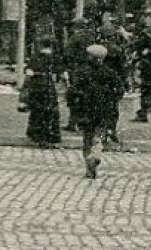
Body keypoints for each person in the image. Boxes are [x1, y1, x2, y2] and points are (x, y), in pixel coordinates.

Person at [71, 44, 121, 180]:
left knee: (87, 139)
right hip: (104, 111)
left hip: (87, 110)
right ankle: (96, 155)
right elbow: (119, 91)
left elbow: (74, 92)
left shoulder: (82, 73)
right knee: (98, 136)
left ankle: (89, 166)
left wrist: (75, 108)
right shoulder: (110, 73)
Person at [23, 45, 62, 147]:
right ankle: (52, 136)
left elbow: (28, 72)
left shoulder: (35, 58)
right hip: (48, 87)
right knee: (51, 112)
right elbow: (60, 72)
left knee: (37, 112)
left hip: (37, 86)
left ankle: (36, 135)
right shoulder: (54, 58)